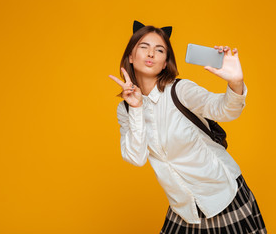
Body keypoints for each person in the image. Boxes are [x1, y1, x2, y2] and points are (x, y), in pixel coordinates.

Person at [109, 20, 267, 234]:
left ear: (165, 63)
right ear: (130, 56)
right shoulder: (126, 109)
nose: (151, 54)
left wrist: (236, 83)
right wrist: (136, 108)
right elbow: (136, 158)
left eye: (159, 50)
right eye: (143, 47)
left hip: (223, 194)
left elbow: (224, 110)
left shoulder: (180, 90)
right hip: (184, 208)